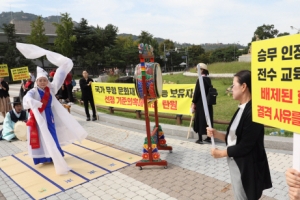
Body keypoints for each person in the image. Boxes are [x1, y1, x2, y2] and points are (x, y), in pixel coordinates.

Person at [17, 42, 88, 175]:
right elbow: (26, 99)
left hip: (49, 115)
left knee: (52, 135)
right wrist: (34, 103)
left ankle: (55, 154)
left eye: (44, 80)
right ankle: (44, 157)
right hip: (38, 117)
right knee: (42, 136)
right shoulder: (34, 91)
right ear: (36, 82)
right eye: (40, 81)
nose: (43, 82)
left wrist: (64, 64)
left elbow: (60, 76)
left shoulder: (51, 89)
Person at [206, 70, 272, 200]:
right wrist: (217, 134)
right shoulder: (242, 108)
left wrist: (221, 153)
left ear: (243, 87)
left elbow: (245, 146)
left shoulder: (253, 112)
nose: (231, 89)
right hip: (237, 162)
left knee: (244, 196)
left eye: (233, 85)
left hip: (246, 166)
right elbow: (236, 138)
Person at [191, 63, 213, 144]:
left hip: (200, 103)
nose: (197, 71)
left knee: (200, 119)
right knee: (208, 119)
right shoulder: (208, 79)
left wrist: (193, 102)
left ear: (202, 70)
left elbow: (197, 92)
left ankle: (200, 138)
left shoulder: (200, 79)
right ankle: (209, 137)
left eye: (198, 70)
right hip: (208, 102)